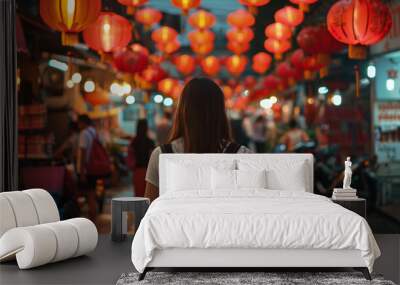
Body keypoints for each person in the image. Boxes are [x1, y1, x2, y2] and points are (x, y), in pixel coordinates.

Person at [144, 77, 251, 202]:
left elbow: (149, 209)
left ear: (183, 111)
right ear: (220, 113)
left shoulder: (162, 155)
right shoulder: (242, 156)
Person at [76, 114, 108, 221]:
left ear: (83, 122)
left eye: (79, 122)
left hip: (87, 169)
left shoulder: (84, 133)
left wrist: (81, 172)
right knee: (92, 194)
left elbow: (83, 153)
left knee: (89, 196)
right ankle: (93, 218)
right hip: (94, 168)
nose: (78, 125)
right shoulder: (94, 132)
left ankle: (92, 219)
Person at [127, 119, 155, 197]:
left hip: (137, 171)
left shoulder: (133, 142)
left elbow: (130, 156)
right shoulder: (150, 142)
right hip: (149, 172)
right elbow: (152, 159)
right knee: (148, 197)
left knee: (138, 197)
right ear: (146, 128)